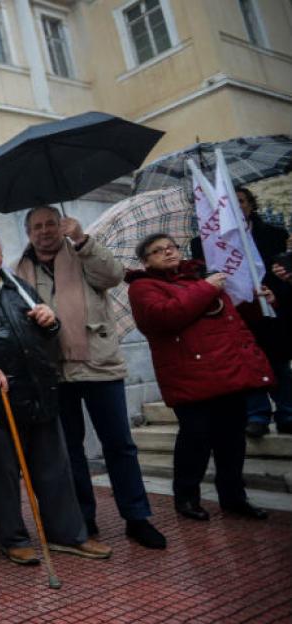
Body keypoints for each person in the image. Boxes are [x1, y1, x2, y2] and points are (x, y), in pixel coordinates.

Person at [0, 227, 111, 566]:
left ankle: (68, 536)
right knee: (3, 475)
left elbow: (47, 330)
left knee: (54, 471)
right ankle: (13, 539)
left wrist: (51, 321)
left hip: (39, 391)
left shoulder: (18, 286)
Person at [16, 206, 166, 549]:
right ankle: (83, 517)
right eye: (36, 227)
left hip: (99, 364)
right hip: (54, 371)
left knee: (120, 445)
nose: (44, 231)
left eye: (51, 224)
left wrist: (82, 239)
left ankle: (137, 517)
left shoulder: (83, 251)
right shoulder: (17, 270)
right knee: (69, 451)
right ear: (28, 233)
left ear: (61, 225)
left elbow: (112, 276)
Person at [127, 233, 273, 521]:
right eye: (158, 251)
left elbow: (234, 316)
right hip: (189, 376)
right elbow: (164, 317)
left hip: (227, 371)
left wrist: (262, 300)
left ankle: (233, 497)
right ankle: (186, 497)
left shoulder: (201, 277)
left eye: (171, 247)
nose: (168, 253)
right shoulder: (143, 287)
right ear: (146, 261)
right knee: (195, 439)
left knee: (232, 441)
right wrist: (207, 288)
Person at [190, 188, 291, 439]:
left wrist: (276, 291)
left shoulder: (275, 234)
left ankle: (287, 412)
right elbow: (203, 277)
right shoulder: (204, 242)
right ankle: (257, 415)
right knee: (247, 365)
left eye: (242, 201)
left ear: (251, 205)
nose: (236, 206)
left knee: (278, 363)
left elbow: (284, 271)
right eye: (228, 203)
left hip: (269, 307)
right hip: (236, 312)